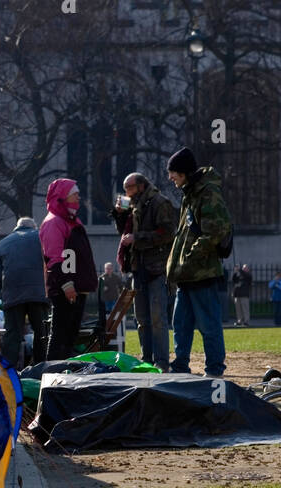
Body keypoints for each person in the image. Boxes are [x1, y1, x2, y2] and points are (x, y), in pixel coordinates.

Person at [165, 147, 229, 377]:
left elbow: (215, 232)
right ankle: (180, 367)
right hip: (186, 275)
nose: (171, 178)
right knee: (180, 326)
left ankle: (214, 370)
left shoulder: (208, 192)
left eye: (174, 173)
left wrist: (189, 260)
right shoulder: (189, 193)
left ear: (185, 172)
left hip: (202, 273)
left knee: (209, 326)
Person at [112, 172, 175, 371]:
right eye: (125, 189)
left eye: (129, 187)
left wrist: (137, 237)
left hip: (156, 269)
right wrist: (120, 215)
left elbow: (167, 233)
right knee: (141, 319)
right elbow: (124, 234)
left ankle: (162, 361)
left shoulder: (159, 202)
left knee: (158, 318)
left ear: (141, 185)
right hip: (138, 268)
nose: (127, 193)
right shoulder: (133, 205)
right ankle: (147, 359)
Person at [40, 178, 98, 361]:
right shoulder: (55, 222)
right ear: (63, 198)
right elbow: (54, 257)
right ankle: (52, 372)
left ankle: (62, 371)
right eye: (75, 195)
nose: (78, 199)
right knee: (60, 336)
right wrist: (66, 284)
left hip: (75, 287)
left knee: (69, 336)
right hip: (65, 289)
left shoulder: (70, 220)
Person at [0, 216, 48, 368]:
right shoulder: (41, 238)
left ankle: (9, 370)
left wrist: (3, 292)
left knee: (12, 334)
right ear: (34, 227)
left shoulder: (3, 243)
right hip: (38, 292)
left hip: (12, 294)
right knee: (41, 332)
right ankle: (41, 368)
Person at [98, 260, 127, 351]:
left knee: (114, 313)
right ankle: (108, 327)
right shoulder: (102, 277)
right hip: (106, 299)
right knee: (107, 313)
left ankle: (114, 326)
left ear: (112, 269)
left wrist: (121, 291)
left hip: (114, 298)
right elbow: (98, 288)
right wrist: (104, 288)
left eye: (110, 268)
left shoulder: (115, 277)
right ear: (105, 269)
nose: (108, 270)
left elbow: (121, 285)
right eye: (107, 269)